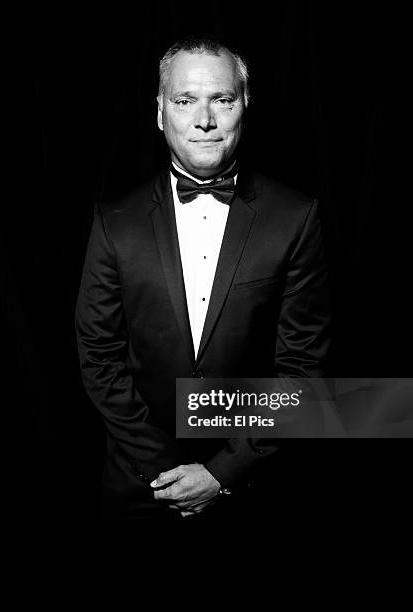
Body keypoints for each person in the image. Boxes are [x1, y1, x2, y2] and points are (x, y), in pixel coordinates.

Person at [75, 35, 331, 521]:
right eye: (184, 100)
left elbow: (302, 371)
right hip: (139, 484)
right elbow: (99, 359)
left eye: (222, 99)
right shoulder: (115, 221)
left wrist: (221, 473)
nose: (204, 120)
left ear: (244, 107)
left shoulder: (296, 218)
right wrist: (165, 469)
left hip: (254, 483)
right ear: (159, 112)